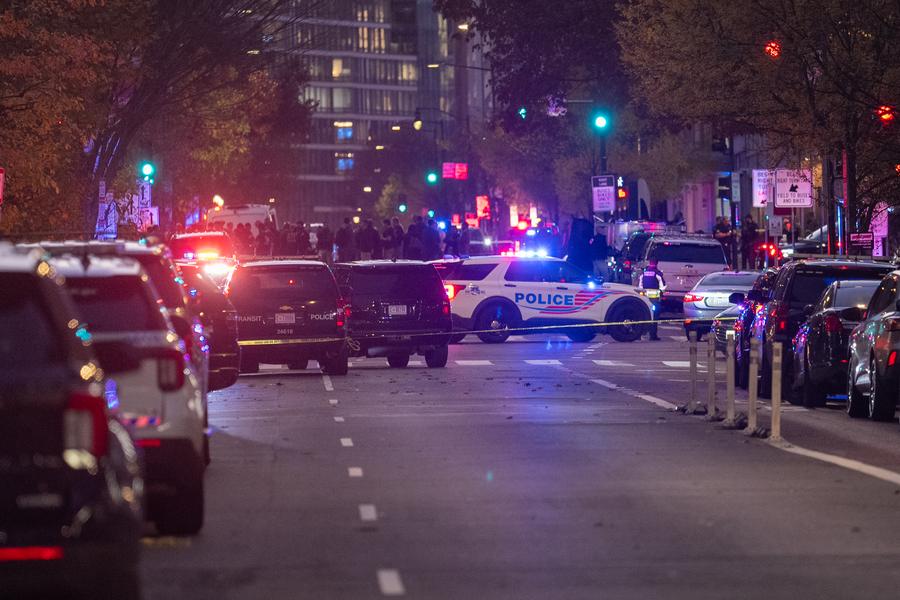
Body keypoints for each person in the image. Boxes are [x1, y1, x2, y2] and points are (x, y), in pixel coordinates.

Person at [639, 258, 665, 341]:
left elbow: (640, 285)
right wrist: (661, 293)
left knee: (643, 315)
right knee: (654, 316)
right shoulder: (658, 273)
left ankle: (639, 334)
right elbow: (663, 286)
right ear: (657, 263)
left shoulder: (644, 273)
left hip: (645, 297)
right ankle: (652, 335)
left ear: (649, 263)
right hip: (654, 298)